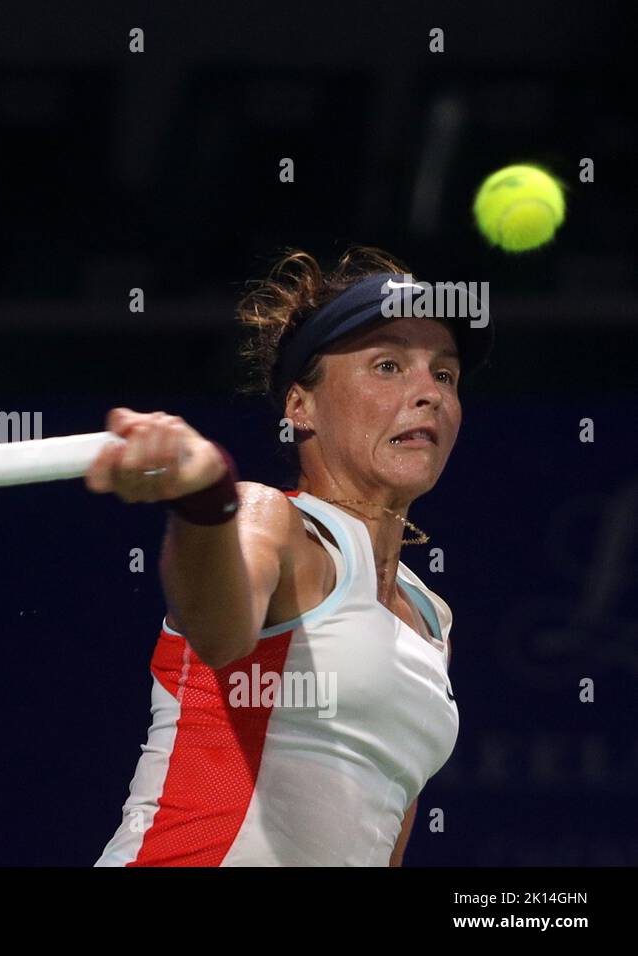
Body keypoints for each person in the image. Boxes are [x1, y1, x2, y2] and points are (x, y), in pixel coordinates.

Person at [89, 246, 493, 866]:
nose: (428, 394)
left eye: (444, 375)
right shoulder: (268, 520)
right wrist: (204, 504)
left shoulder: (431, 620)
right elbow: (220, 632)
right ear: (300, 405)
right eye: (387, 365)